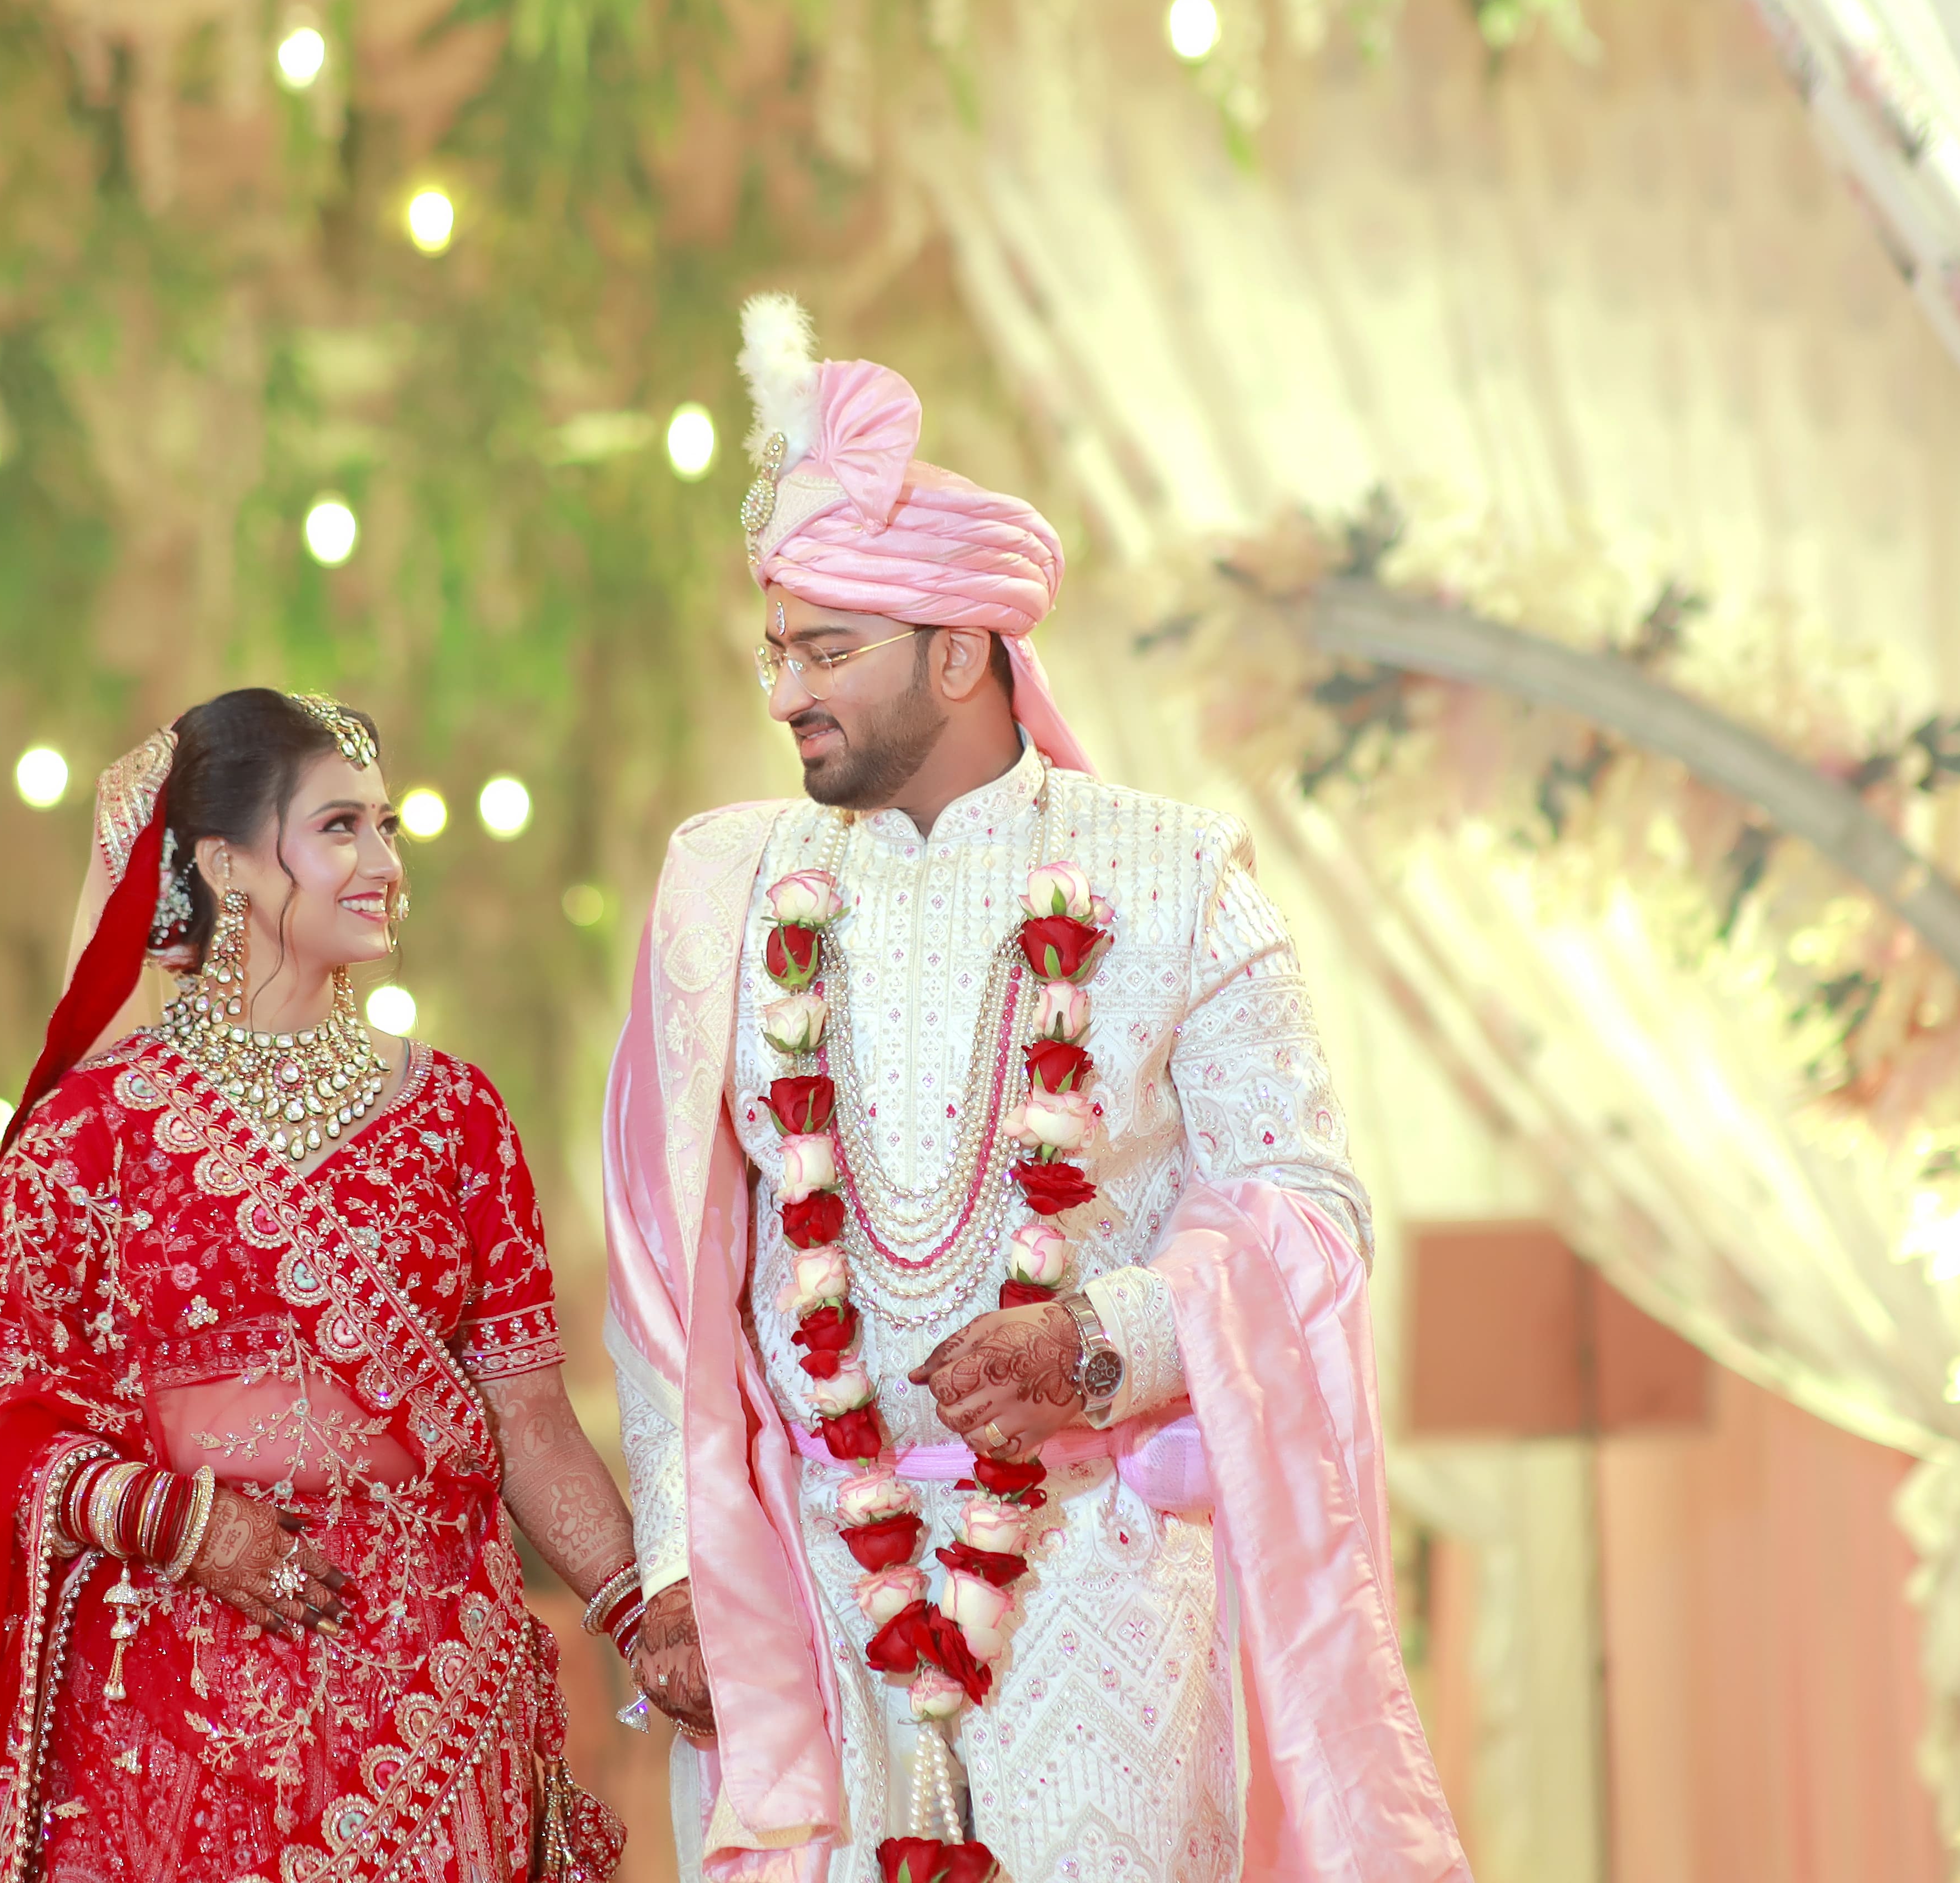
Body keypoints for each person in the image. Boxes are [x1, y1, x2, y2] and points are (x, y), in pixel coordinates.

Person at [600, 301, 1469, 1883]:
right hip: (812, 1599)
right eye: (778, 649)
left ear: (961, 652)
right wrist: (678, 1567)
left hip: (1100, 1593)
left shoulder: (1175, 874)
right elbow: (666, 1277)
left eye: (829, 651)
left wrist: (1100, 1339)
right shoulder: (725, 888)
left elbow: (1305, 1207)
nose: (787, 690)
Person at [0, 687, 698, 1883]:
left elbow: (528, 1421)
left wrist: (647, 1613)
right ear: (224, 862)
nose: (385, 864)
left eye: (387, 828)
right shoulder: (95, 1132)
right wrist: (175, 1520)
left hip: (438, 1704)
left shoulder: (457, 1117)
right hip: (169, 1720)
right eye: (340, 828)